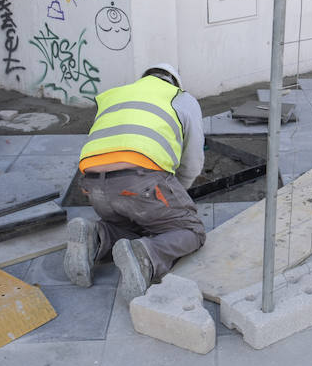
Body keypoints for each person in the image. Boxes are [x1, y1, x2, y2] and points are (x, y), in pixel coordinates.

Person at [64, 63, 206, 300]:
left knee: (136, 224)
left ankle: (95, 236)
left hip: (92, 184)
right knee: (191, 230)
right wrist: (176, 195)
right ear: (176, 83)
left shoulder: (117, 95)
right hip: (139, 180)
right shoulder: (181, 99)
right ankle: (147, 256)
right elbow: (192, 162)